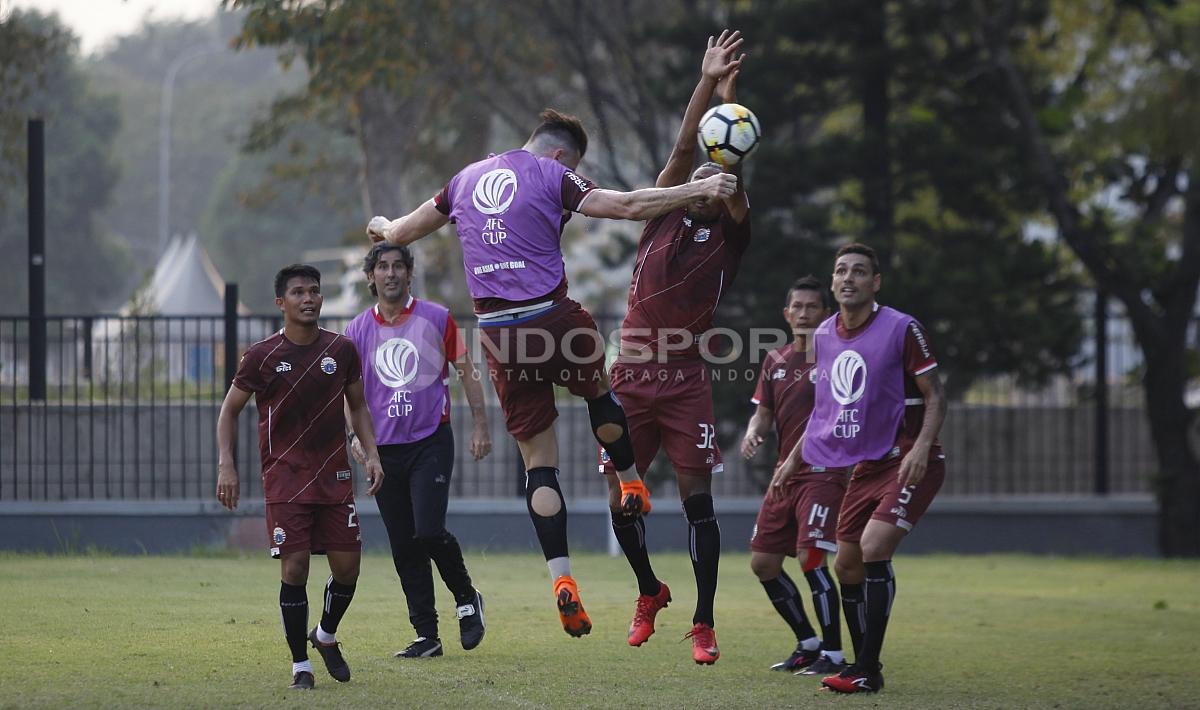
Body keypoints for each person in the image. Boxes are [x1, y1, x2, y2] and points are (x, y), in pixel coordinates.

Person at [365, 89, 738, 638]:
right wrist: (701, 187)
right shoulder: (551, 175)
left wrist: (382, 225)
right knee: (597, 393)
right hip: (551, 318)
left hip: (497, 334)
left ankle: (562, 580)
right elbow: (628, 206)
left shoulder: (462, 181)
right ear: (562, 158)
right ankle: (632, 480)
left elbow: (397, 232)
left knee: (539, 460)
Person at [598, 30, 748, 665]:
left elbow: (731, 169)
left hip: (685, 381)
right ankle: (649, 591)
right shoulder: (661, 209)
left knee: (697, 504)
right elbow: (687, 147)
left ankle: (704, 621)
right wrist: (707, 84)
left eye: (722, 173)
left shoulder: (734, 232)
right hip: (631, 375)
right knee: (620, 500)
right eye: (705, 173)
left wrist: (732, 108)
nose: (710, 176)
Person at [786, 244, 947, 694]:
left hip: (913, 459)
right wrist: (795, 458)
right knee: (847, 564)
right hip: (868, 465)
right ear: (833, 282)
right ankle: (860, 665)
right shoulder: (823, 335)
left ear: (875, 282)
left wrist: (922, 448)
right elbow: (826, 411)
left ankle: (868, 669)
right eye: (841, 271)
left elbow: (936, 396)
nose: (848, 278)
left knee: (874, 547)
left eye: (859, 271)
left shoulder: (902, 329)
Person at [216, 264, 385, 691]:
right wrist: (227, 464)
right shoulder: (261, 356)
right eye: (298, 293)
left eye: (314, 291)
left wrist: (373, 454)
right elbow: (229, 410)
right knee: (295, 569)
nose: (308, 299)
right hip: (286, 479)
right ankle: (300, 665)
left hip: (335, 475)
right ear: (281, 303)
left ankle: (325, 634)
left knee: (348, 568)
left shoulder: (341, 350)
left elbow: (359, 406)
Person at [344, 242, 492, 660]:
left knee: (428, 530)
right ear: (370, 277)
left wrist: (480, 425)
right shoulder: (356, 331)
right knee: (404, 544)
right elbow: (350, 395)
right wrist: (355, 438)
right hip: (382, 451)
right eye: (382, 267)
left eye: (398, 266)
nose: (390, 273)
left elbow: (467, 371)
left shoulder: (437, 317)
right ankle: (427, 635)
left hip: (430, 440)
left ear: (409, 274)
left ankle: (467, 599)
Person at [741, 277, 847, 676]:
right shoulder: (776, 359)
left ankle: (834, 655)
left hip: (822, 473)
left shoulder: (835, 358)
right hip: (785, 476)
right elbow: (763, 412)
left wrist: (790, 463)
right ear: (786, 315)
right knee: (763, 562)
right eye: (797, 307)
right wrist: (754, 432)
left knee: (811, 558)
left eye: (812, 307)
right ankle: (807, 642)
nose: (804, 314)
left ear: (825, 314)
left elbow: (824, 417)